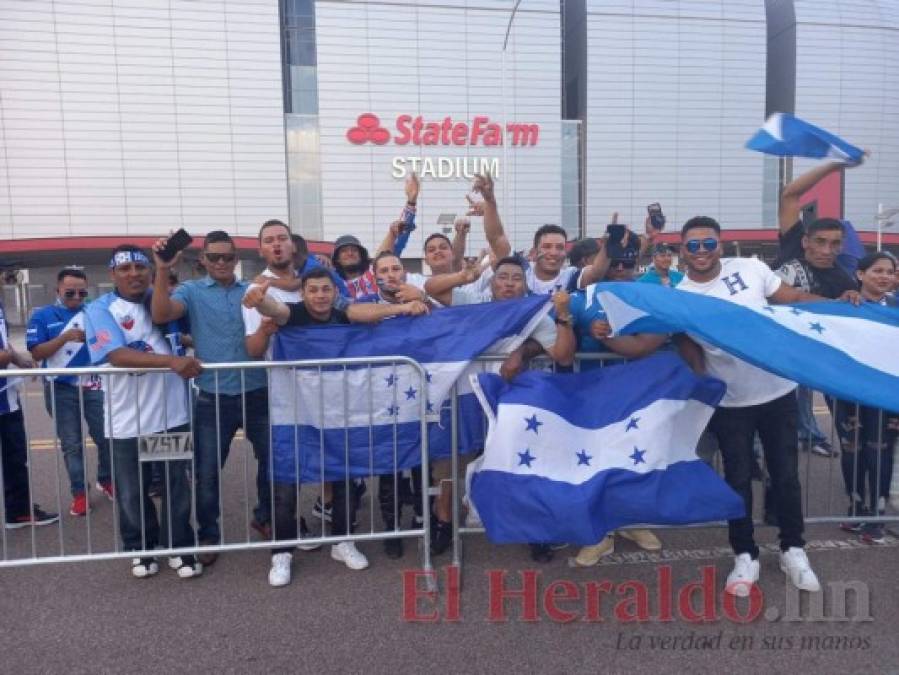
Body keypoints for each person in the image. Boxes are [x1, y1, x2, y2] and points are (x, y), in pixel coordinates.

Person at [675, 216, 831, 597]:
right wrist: (701, 376)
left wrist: (841, 307)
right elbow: (685, 340)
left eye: (707, 243)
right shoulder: (679, 294)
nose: (700, 251)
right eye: (693, 245)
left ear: (720, 245)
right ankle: (744, 554)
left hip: (778, 393)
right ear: (683, 250)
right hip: (730, 402)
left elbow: (792, 298)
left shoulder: (750, 268)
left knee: (786, 476)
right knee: (738, 479)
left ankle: (793, 549)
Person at [243, 267, 428, 585]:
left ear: (335, 291)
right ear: (303, 292)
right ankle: (282, 553)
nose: (319, 296)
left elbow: (365, 314)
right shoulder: (294, 313)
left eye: (325, 289)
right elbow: (275, 309)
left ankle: (343, 541)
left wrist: (401, 308)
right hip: (297, 412)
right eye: (313, 290)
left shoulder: (344, 310)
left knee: (344, 476)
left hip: (339, 413)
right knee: (287, 481)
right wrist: (260, 301)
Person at [426, 255, 576, 562]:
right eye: (503, 277)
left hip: (510, 401)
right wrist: (464, 276)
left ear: (525, 284)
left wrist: (561, 316)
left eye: (516, 278)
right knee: (450, 465)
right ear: (492, 282)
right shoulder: (473, 299)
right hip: (465, 397)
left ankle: (534, 530)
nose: (508, 284)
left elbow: (562, 355)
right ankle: (443, 523)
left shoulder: (534, 313)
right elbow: (432, 287)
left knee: (523, 466)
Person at [150, 230, 272, 567]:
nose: (221, 262)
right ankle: (208, 534)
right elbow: (160, 314)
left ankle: (266, 517)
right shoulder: (190, 290)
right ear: (202, 259)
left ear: (236, 259)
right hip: (212, 397)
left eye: (228, 257)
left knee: (272, 462)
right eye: (214, 257)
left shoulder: (252, 290)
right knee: (206, 471)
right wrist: (161, 269)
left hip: (257, 391)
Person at [84, 244, 202, 578]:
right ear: (113, 275)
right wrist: (171, 361)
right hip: (125, 421)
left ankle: (180, 546)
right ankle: (141, 548)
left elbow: (187, 331)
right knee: (132, 490)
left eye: (140, 267)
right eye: (125, 269)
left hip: (171, 416)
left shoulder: (160, 301)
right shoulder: (100, 308)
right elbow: (117, 355)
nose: (134, 274)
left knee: (175, 485)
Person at [776, 160, 866, 457]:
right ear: (805, 241)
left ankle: (818, 438)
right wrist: (834, 166)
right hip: (772, 349)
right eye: (820, 242)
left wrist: (854, 297)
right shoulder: (791, 247)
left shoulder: (843, 277)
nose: (827, 250)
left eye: (835, 244)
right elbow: (790, 194)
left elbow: (853, 316)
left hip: (813, 357)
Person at [27, 267, 112, 517]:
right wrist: (65, 338)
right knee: (72, 445)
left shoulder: (93, 313)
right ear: (57, 291)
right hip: (61, 388)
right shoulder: (42, 316)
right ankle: (79, 494)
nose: (76, 297)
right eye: (70, 292)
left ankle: (105, 480)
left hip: (94, 385)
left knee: (107, 437)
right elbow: (37, 352)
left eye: (82, 292)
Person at [834, 252, 898, 544]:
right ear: (860, 275)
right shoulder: (844, 304)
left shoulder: (896, 307)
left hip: (885, 393)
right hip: (846, 391)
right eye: (877, 271)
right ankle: (856, 508)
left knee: (880, 452)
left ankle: (878, 515)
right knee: (853, 450)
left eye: (890, 272)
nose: (885, 276)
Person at [2, 298, 58, 530]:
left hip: (6, 397)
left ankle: (19, 511)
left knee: (15, 458)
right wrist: (6, 356)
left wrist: (20, 360)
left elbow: (5, 345)